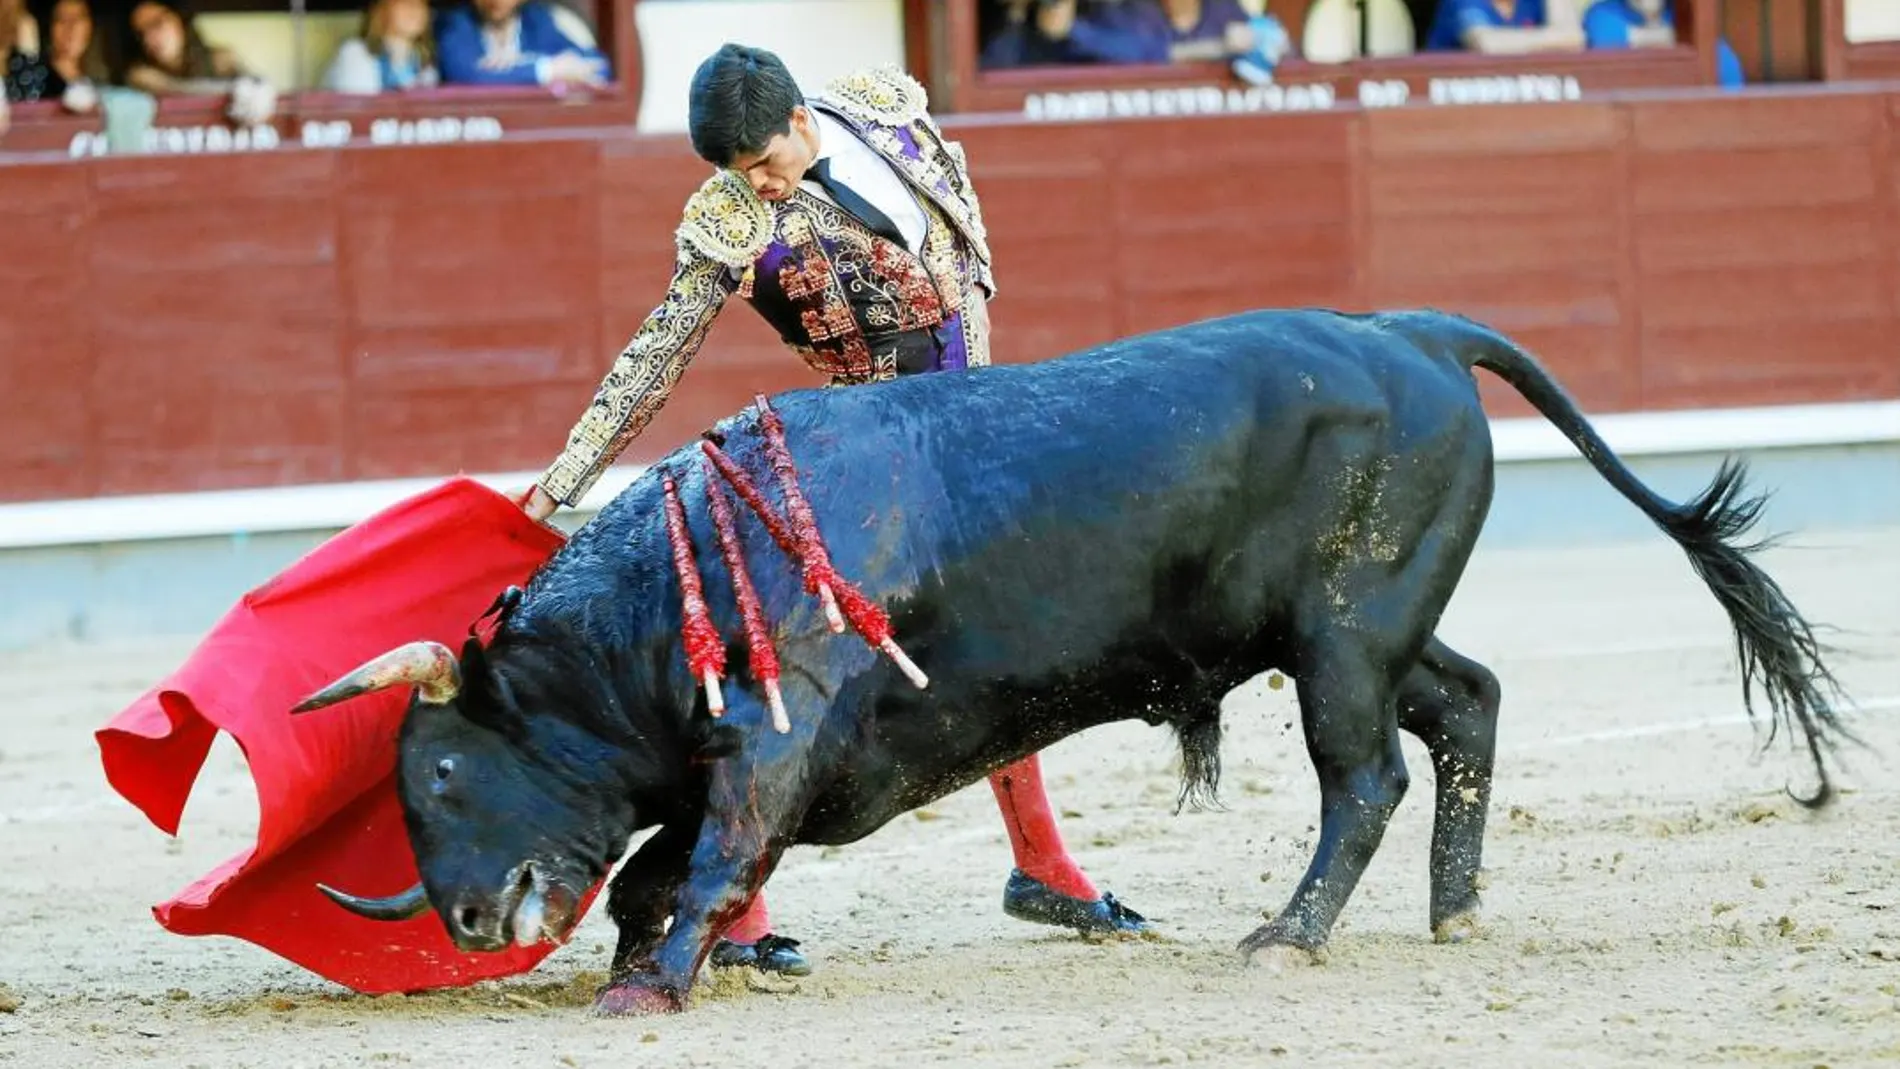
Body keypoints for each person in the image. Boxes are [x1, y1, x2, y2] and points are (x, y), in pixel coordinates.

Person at [521, 43, 1151, 978]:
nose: (762, 190)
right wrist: (560, 483)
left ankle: (1042, 870)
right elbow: (658, 352)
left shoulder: (883, 105)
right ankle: (736, 911)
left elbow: (958, 257)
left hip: (975, 437)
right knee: (780, 661)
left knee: (1002, 645)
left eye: (766, 164)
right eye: (741, 177)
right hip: (869, 460)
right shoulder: (730, 219)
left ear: (799, 119)